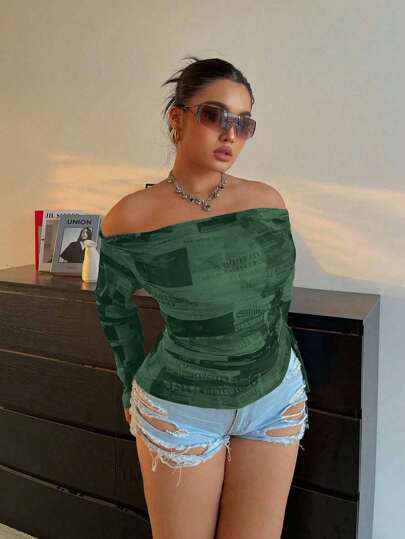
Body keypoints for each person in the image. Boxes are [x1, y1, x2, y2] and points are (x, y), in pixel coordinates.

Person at [94, 56, 310, 539]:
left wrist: (287, 361)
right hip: (181, 407)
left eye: (244, 123)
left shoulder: (267, 203)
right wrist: (129, 382)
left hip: (274, 398)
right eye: (215, 115)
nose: (231, 134)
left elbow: (277, 303)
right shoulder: (131, 217)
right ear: (178, 117)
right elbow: (113, 307)